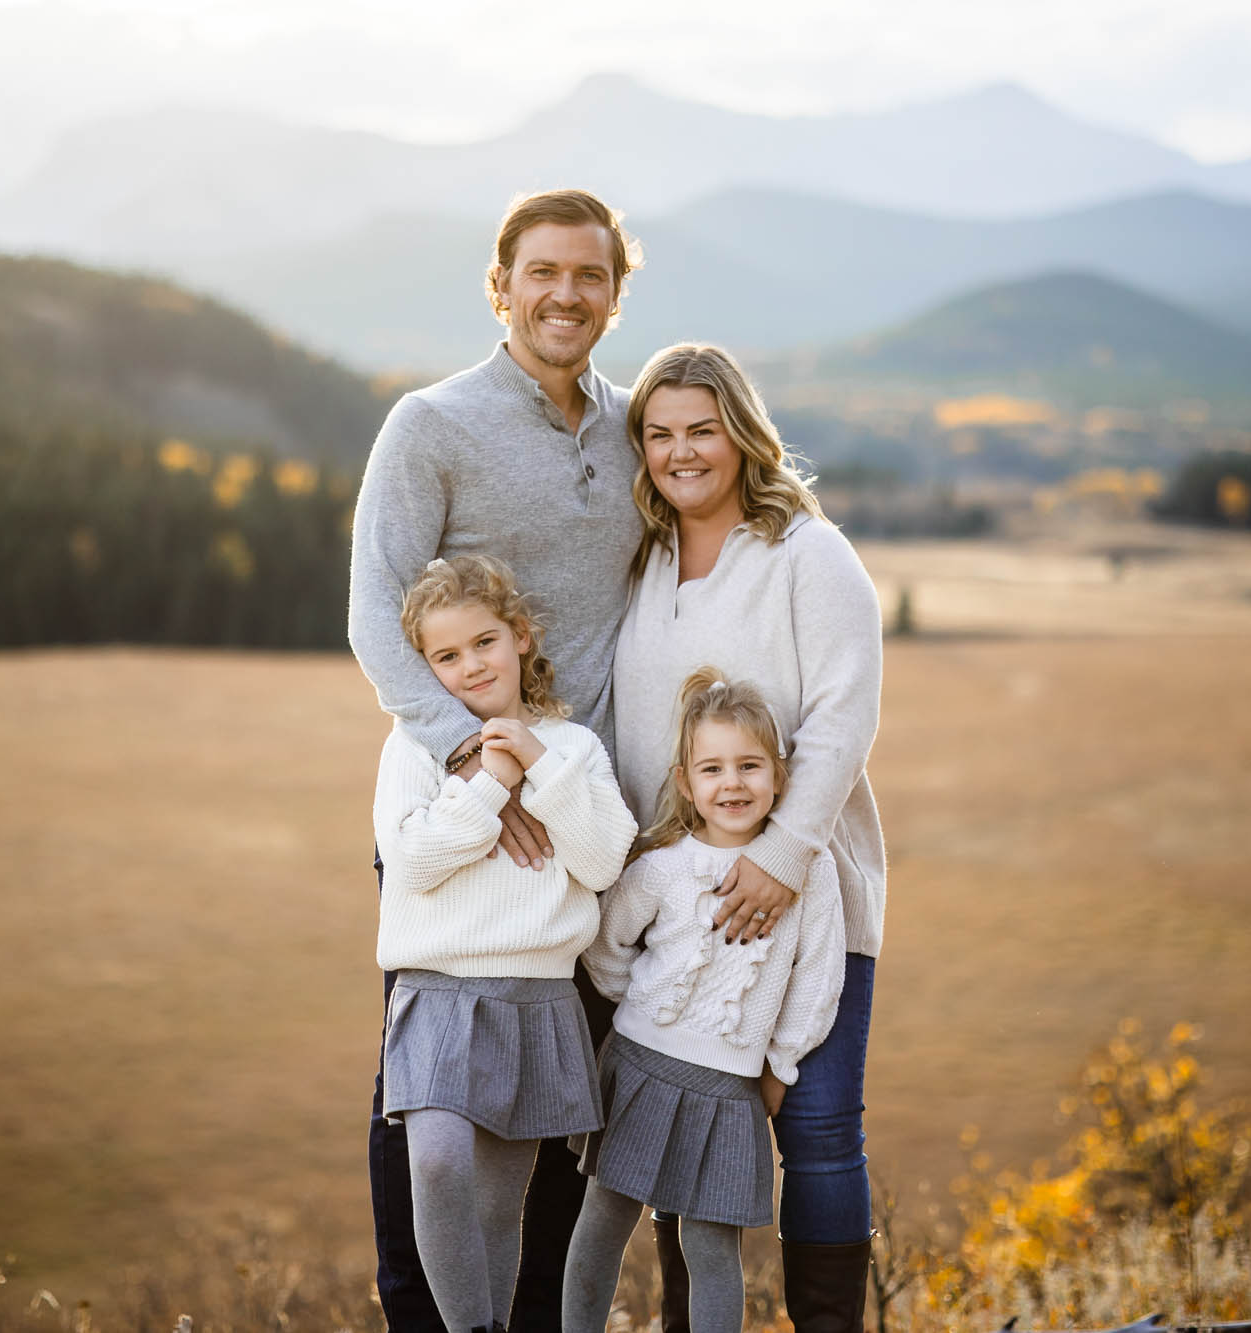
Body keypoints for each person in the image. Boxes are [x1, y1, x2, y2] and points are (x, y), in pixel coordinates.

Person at [348, 188, 648, 1332]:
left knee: (559, 1093)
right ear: (501, 285)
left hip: (581, 811)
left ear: (614, 294)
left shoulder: (634, 430)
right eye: (542, 272)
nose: (564, 294)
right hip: (463, 802)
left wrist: (559, 780)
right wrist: (475, 759)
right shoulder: (429, 424)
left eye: (589, 275)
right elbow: (376, 613)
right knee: (425, 1096)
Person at [610, 344, 886, 1333]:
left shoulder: (806, 553)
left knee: (814, 1130)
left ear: (739, 431)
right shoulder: (641, 561)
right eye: (658, 432)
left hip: (803, 891)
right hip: (681, 906)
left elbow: (845, 717)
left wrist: (777, 858)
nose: (681, 451)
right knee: (686, 1135)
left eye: (700, 428)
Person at [376, 554, 640, 1333]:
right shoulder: (415, 747)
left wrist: (536, 763)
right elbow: (414, 860)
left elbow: (600, 861)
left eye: (484, 642)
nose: (469, 667)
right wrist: (489, 779)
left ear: (520, 636)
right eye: (445, 656)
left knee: (498, 1208)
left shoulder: (576, 749)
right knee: (438, 1161)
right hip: (438, 992)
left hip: (538, 999)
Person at [562, 669, 845, 1333]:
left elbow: (818, 976)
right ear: (687, 782)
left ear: (779, 774)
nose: (733, 783)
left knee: (712, 1248)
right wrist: (646, 1009)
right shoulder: (660, 867)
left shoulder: (810, 870)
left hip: (730, 1089)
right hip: (639, 1069)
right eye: (713, 768)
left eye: (750, 765)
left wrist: (779, 1063)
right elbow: (605, 945)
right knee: (602, 1222)